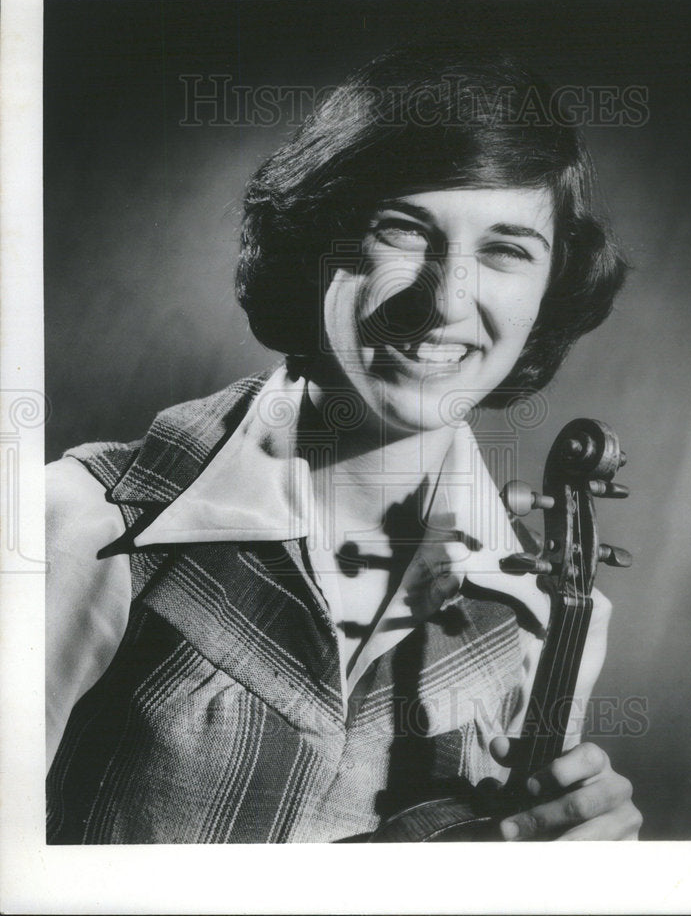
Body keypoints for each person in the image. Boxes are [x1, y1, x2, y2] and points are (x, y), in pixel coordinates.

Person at [46, 44, 642, 843]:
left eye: (505, 251)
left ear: (548, 290)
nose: (445, 303)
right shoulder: (84, 522)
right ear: (314, 243)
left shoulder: (549, 611)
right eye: (400, 232)